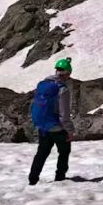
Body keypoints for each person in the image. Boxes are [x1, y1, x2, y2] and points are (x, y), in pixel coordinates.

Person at [28, 57, 76, 185]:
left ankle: (33, 180)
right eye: (69, 74)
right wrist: (70, 131)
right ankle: (60, 179)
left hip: (43, 127)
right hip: (57, 128)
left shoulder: (43, 84)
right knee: (64, 152)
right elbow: (64, 115)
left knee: (41, 153)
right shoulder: (62, 89)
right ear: (66, 73)